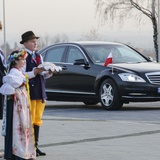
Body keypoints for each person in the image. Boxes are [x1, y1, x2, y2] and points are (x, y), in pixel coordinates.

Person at [20, 31, 54, 156]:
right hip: (30, 91)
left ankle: (36, 145)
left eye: (35, 41)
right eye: (32, 42)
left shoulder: (39, 56)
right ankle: (29, 146)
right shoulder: (23, 56)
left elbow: (42, 75)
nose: (35, 44)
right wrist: (35, 71)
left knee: (37, 119)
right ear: (25, 43)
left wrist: (49, 73)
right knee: (29, 119)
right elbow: (21, 75)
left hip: (40, 91)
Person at [0, 50, 36, 160]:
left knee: (23, 124)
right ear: (15, 61)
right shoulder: (13, 73)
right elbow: (9, 82)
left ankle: (22, 150)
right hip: (17, 103)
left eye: (24, 59)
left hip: (21, 102)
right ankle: (17, 152)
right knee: (17, 125)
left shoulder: (18, 72)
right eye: (22, 59)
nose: (24, 62)